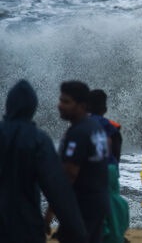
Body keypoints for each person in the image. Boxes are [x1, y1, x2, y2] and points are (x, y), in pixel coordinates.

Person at [0, 80, 88, 243]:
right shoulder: (38, 140)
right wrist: (77, 231)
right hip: (26, 227)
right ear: (32, 107)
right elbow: (57, 189)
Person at [46, 80, 110, 243]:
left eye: (66, 102)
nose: (60, 105)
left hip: (82, 206)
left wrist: (49, 214)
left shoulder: (78, 133)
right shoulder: (96, 128)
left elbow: (68, 176)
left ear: (82, 105)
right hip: (99, 201)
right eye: (60, 100)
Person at [88, 89, 130, 243]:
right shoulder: (111, 126)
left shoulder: (81, 126)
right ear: (105, 109)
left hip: (90, 172)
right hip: (110, 170)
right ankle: (114, 235)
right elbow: (116, 151)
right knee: (111, 204)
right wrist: (115, 168)